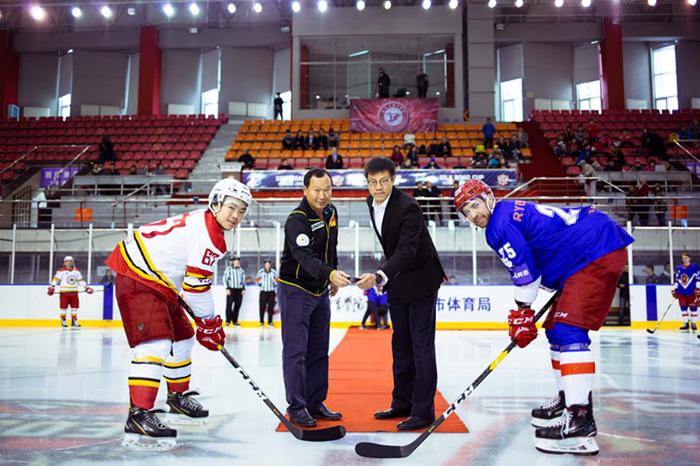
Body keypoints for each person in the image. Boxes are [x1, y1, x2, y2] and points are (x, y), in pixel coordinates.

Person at [453, 178, 633, 455]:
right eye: (466, 211)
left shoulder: (498, 226)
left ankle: (580, 421)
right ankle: (568, 398)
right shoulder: (505, 213)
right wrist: (523, 312)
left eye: (475, 205)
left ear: (489, 197)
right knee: (555, 330)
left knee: (568, 331)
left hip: (593, 251)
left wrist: (522, 312)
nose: (473, 214)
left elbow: (526, 277)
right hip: (585, 251)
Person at [104, 178, 251, 449]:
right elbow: (196, 289)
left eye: (242, 210)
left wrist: (206, 324)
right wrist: (210, 322)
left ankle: (177, 397)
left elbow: (192, 284)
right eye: (231, 207)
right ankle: (138, 413)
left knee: (183, 337)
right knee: (155, 343)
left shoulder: (207, 225)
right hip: (139, 276)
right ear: (215, 203)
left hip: (158, 280)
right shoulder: (208, 234)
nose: (236, 215)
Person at [357, 157, 446, 431]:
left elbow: (407, 250)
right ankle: (402, 402)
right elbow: (391, 246)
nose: (379, 187)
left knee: (421, 347)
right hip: (398, 281)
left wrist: (380, 274)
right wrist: (387, 276)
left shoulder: (409, 208)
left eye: (384, 181)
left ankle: (423, 411)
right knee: (401, 345)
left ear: (393, 180)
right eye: (373, 182)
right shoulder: (370, 202)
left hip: (421, 279)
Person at [278, 168, 351, 427]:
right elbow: (305, 258)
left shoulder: (331, 212)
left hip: (320, 291)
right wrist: (329, 273)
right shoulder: (297, 220)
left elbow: (331, 248)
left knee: (319, 351)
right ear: (305, 190)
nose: (322, 195)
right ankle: (297, 407)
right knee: (296, 353)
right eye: (317, 190)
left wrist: (332, 275)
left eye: (327, 189)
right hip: (296, 290)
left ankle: (315, 402)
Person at [48, 256, 94, 328]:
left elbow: (80, 281)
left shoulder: (77, 271)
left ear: (72, 262)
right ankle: (63, 320)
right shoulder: (61, 271)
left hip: (74, 292)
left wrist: (86, 288)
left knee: (74, 308)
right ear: (64, 263)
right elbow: (56, 280)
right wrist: (52, 287)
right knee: (63, 308)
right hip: (64, 293)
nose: (69, 262)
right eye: (67, 261)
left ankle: (74, 320)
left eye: (70, 261)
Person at [673, 252, 699, 332]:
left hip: (692, 291)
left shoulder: (695, 267)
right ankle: (685, 323)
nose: (684, 259)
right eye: (683, 258)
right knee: (683, 308)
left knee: (693, 307)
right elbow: (677, 279)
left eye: (686, 258)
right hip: (681, 292)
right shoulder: (679, 268)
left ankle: (693, 323)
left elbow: (698, 278)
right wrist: (675, 289)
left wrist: (698, 288)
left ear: (689, 258)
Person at [223, 256, 245, 327]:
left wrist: (243, 289)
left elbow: (243, 280)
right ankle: (228, 321)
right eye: (236, 261)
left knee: (237, 306)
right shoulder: (228, 269)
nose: (237, 263)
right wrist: (227, 288)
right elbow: (225, 279)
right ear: (233, 262)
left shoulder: (241, 270)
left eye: (238, 262)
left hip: (239, 290)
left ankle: (235, 321)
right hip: (231, 289)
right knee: (229, 305)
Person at [256, 260, 278, 328]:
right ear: (264, 265)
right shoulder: (260, 272)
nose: (267, 266)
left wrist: (274, 283)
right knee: (262, 307)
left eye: (269, 265)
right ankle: (261, 322)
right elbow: (257, 280)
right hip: (263, 292)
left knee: (271, 307)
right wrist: (261, 285)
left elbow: (277, 281)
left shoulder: (274, 272)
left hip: (271, 292)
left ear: (270, 265)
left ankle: (270, 322)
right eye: (266, 265)